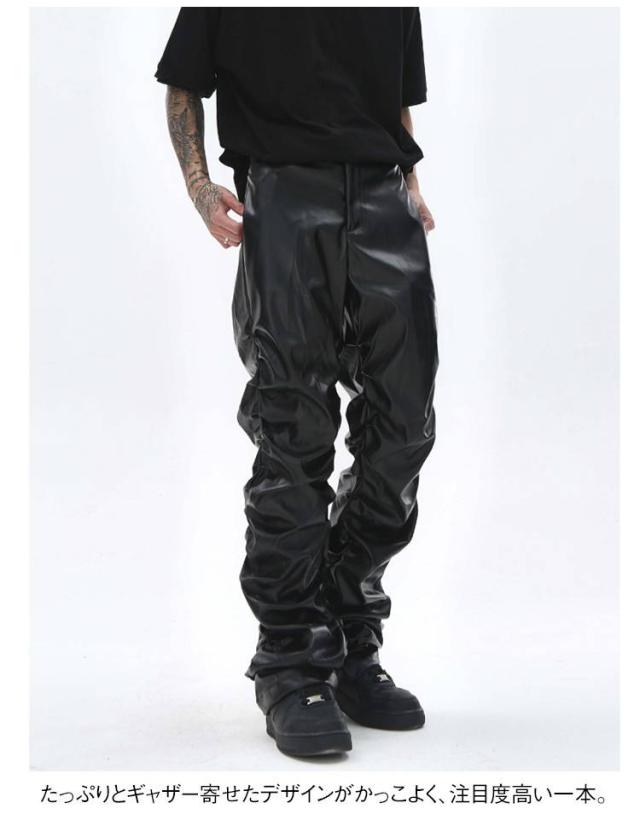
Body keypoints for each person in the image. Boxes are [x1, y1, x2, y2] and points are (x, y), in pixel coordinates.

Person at [155, 7, 439, 758]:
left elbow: (395, 96)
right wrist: (200, 187)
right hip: (283, 198)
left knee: (405, 427)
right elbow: (184, 84)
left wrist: (411, 181)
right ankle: (288, 661)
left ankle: (349, 633)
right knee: (293, 433)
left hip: (383, 198)